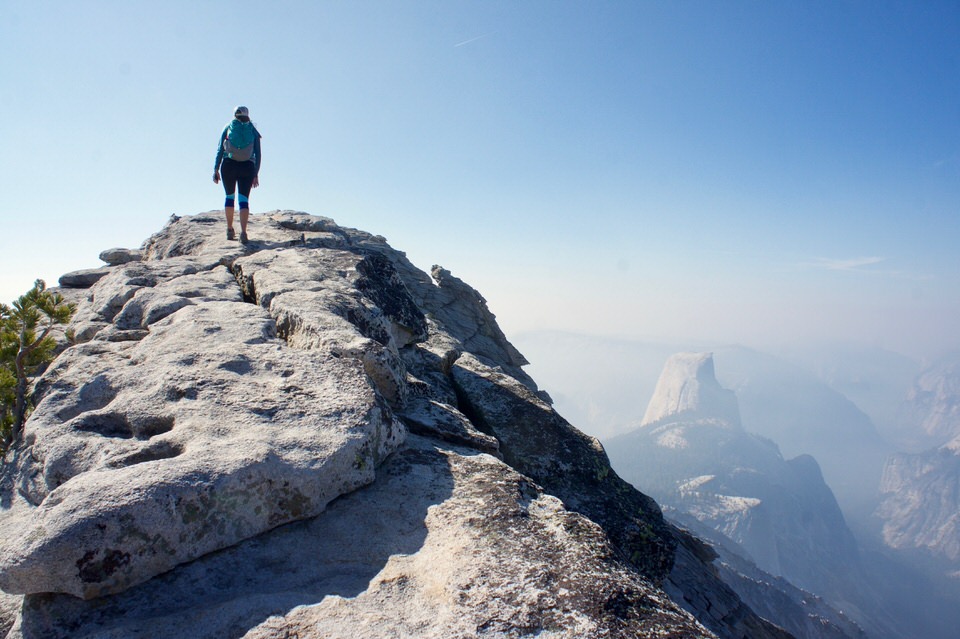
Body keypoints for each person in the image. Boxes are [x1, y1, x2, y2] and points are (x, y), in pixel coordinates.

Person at [213, 106, 262, 244]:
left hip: (229, 165)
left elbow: (219, 149)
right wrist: (256, 174)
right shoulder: (253, 130)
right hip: (247, 167)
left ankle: (229, 229)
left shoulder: (228, 127)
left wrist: (216, 169)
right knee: (243, 200)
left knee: (229, 196)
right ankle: (244, 233)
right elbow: (258, 154)